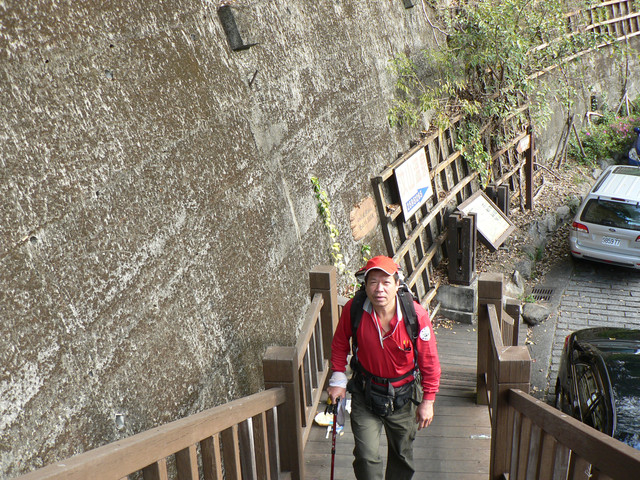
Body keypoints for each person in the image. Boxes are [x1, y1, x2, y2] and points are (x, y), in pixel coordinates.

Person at [326, 255, 441, 480]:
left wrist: (428, 400)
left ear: (397, 285)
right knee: (366, 456)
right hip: (365, 392)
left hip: (404, 396)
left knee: (402, 456)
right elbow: (340, 343)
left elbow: (429, 361)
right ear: (365, 285)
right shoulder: (354, 309)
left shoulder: (415, 315)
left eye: (386, 282)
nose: (379, 289)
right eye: (373, 282)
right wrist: (338, 379)